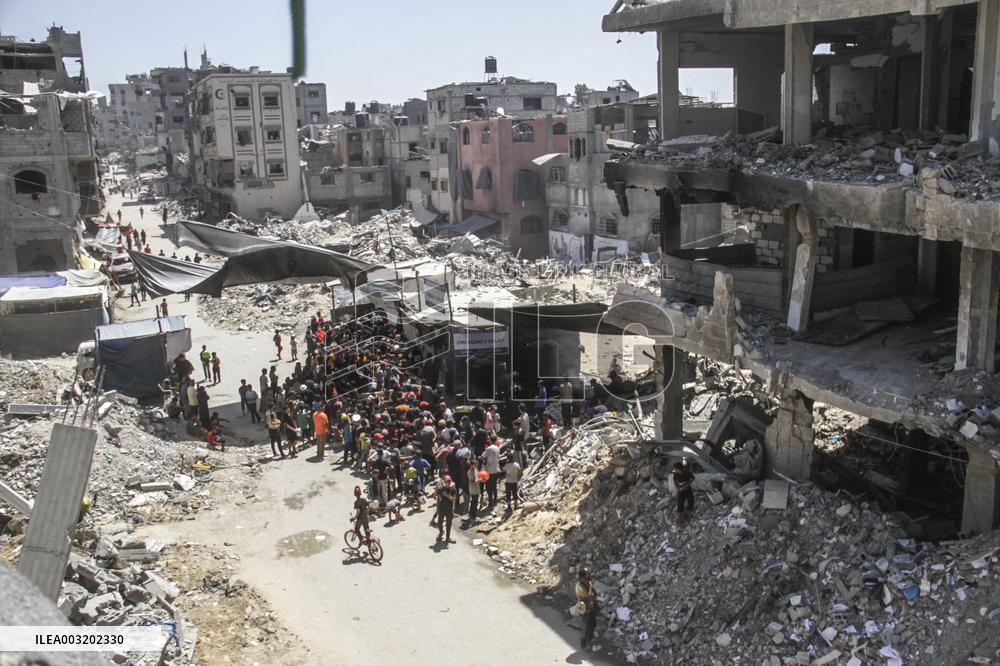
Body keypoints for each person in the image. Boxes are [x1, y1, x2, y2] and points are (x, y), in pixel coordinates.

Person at [576, 567, 599, 649]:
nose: (590, 575)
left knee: (593, 624)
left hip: (590, 606)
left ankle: (589, 639)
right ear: (583, 576)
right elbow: (588, 596)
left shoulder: (588, 582)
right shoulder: (579, 586)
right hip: (584, 608)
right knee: (586, 626)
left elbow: (593, 593)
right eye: (587, 574)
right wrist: (592, 596)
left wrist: (593, 595)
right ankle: (584, 643)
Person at [436, 475, 457, 543]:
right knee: (439, 522)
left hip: (449, 509)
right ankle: (441, 532)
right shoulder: (441, 489)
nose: (448, 482)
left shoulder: (453, 489)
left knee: (449, 524)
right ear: (444, 482)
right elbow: (438, 498)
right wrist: (437, 508)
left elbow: (454, 499)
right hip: (442, 508)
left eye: (449, 481)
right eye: (446, 481)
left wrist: (447, 495)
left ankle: (448, 537)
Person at [482, 438, 501, 507]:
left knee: (488, 487)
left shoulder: (488, 449)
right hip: (496, 469)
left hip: (489, 471)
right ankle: (495, 501)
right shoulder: (497, 447)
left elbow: (482, 457)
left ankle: (490, 502)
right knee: (494, 486)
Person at [466, 459, 482, 524]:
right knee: (474, 503)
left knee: (474, 502)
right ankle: (473, 516)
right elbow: (472, 481)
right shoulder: (471, 472)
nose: (477, 465)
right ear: (472, 465)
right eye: (476, 464)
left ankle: (471, 515)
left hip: (475, 488)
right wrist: (480, 480)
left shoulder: (475, 470)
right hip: (473, 489)